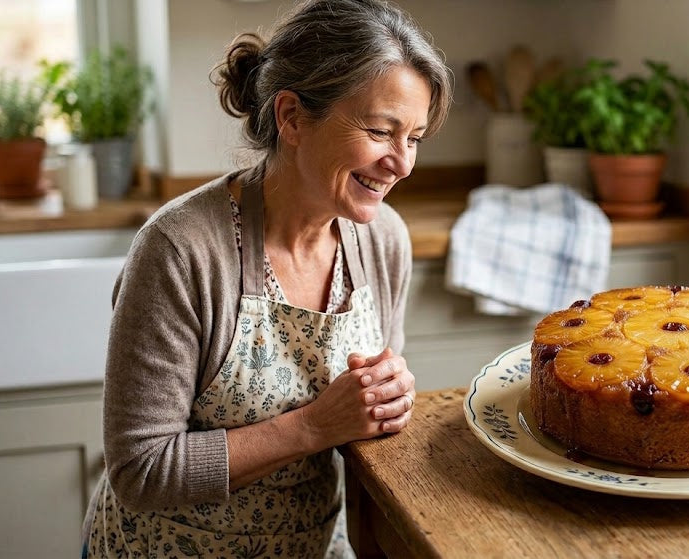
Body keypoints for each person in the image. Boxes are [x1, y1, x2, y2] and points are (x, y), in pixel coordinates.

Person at [81, 0, 452, 556]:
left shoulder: (382, 239)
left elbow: (363, 424)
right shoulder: (182, 249)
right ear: (292, 118)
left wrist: (385, 399)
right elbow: (141, 469)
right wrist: (314, 426)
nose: (402, 163)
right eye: (381, 131)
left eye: (415, 138)